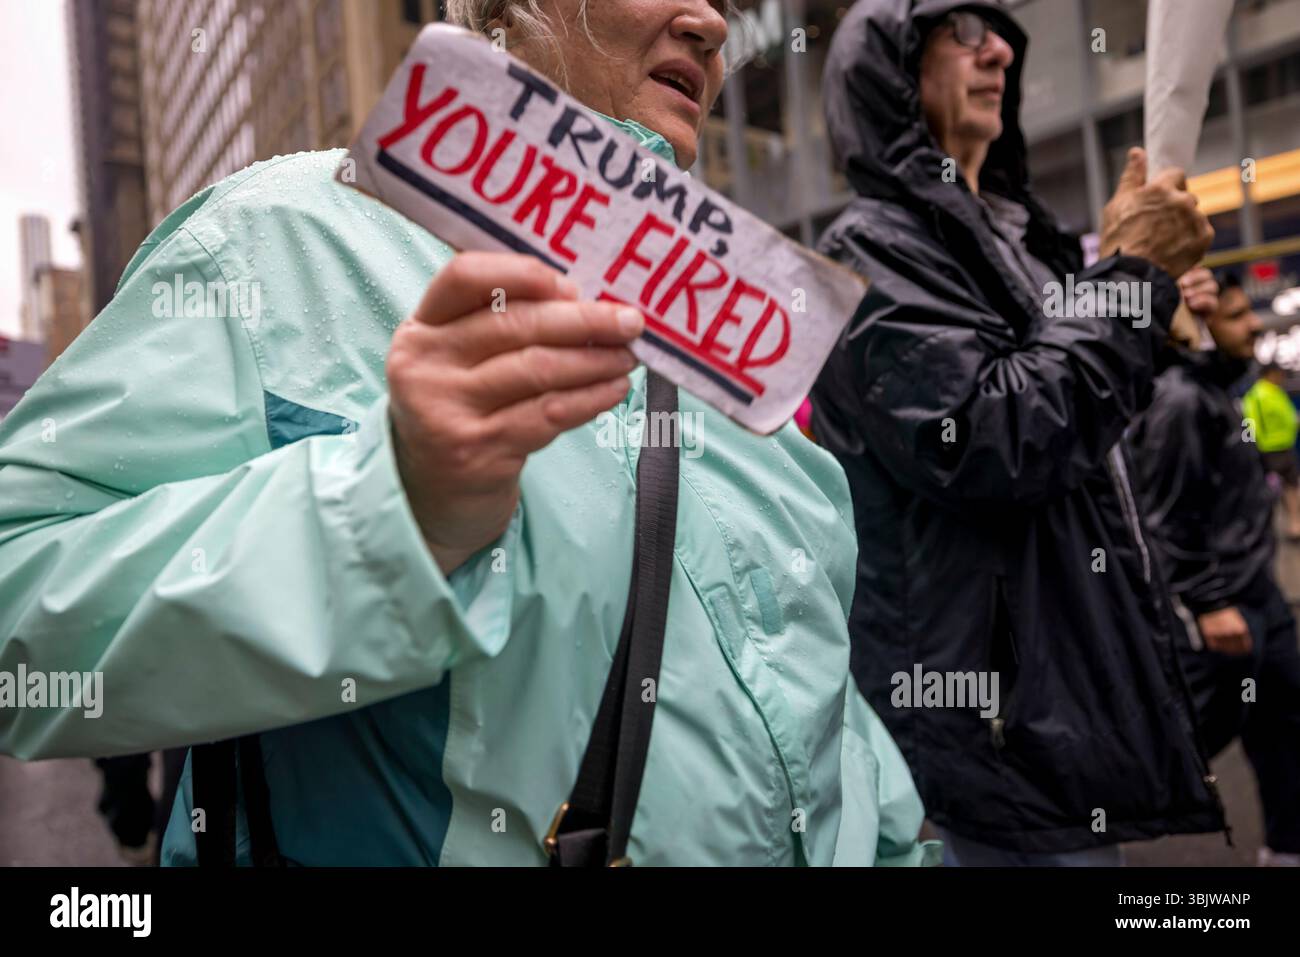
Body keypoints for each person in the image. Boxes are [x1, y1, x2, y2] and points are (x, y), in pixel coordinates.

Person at [0, 0, 934, 867]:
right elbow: (20, 613)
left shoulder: (732, 329)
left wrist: (900, 843)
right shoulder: (284, 236)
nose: (710, 23)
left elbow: (814, 697)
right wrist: (391, 507)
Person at [812, 0, 1223, 865]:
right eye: (961, 30)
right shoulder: (869, 247)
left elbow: (1087, 424)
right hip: (989, 729)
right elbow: (991, 436)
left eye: (1001, 34)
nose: (998, 48)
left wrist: (1124, 279)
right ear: (887, 69)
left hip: (1059, 700)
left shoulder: (1025, 240)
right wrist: (1133, 277)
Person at [1131, 269, 1300, 867]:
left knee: (1283, 727)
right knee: (1183, 742)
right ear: (1199, 328)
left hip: (1261, 595)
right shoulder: (1179, 400)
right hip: (1226, 608)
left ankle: (1286, 848)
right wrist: (1209, 603)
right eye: (1235, 316)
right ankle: (1075, 838)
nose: (1254, 324)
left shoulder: (1221, 390)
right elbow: (1166, 520)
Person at [1242, 361, 1300, 538]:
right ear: (1271, 374)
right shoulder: (1256, 395)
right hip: (1268, 451)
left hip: (1285, 447)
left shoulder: (1276, 391)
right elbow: (1249, 423)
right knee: (1268, 491)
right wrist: (1249, 448)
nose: (1282, 378)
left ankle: (1294, 523)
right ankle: (1265, 530)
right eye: (1280, 374)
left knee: (1292, 486)